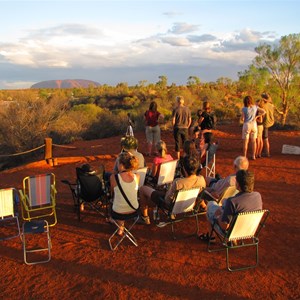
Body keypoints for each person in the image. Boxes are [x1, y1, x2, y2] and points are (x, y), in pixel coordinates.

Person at [139, 155, 206, 225]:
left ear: (184, 169)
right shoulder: (201, 179)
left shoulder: (178, 183)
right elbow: (200, 196)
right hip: (189, 205)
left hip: (170, 206)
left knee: (143, 189)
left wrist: (167, 191)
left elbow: (167, 199)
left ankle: (145, 218)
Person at [199, 169, 263, 241]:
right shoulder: (258, 196)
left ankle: (212, 237)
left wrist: (218, 215)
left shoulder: (232, 202)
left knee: (211, 204)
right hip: (249, 229)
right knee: (226, 209)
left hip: (231, 233)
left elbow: (224, 226)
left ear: (238, 185)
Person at [110, 152, 140, 235]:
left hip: (118, 213)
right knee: (123, 198)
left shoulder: (114, 177)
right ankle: (120, 226)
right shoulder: (137, 176)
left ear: (121, 165)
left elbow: (112, 192)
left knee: (116, 200)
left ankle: (120, 226)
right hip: (134, 210)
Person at [241, 95, 265, 160]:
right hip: (254, 125)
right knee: (253, 141)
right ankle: (253, 156)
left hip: (247, 124)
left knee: (245, 142)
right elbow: (264, 111)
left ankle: (244, 156)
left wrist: (243, 118)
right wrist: (257, 116)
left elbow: (242, 119)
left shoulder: (243, 109)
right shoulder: (255, 107)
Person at [261, 92, 275, 157]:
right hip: (270, 122)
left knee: (265, 138)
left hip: (265, 123)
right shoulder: (271, 105)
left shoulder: (263, 106)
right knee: (264, 137)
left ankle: (267, 153)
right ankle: (264, 150)